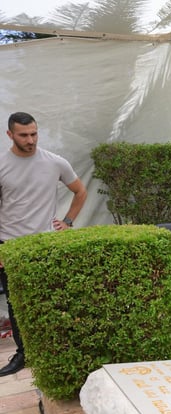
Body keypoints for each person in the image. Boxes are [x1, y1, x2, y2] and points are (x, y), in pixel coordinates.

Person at [0, 112, 88, 377]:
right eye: (24, 135)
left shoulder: (54, 162)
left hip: (45, 245)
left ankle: (55, 351)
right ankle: (23, 354)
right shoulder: (2, 164)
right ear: (10, 135)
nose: (31, 140)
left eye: (34, 133)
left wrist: (68, 221)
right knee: (17, 306)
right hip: (11, 246)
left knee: (53, 301)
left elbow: (80, 191)